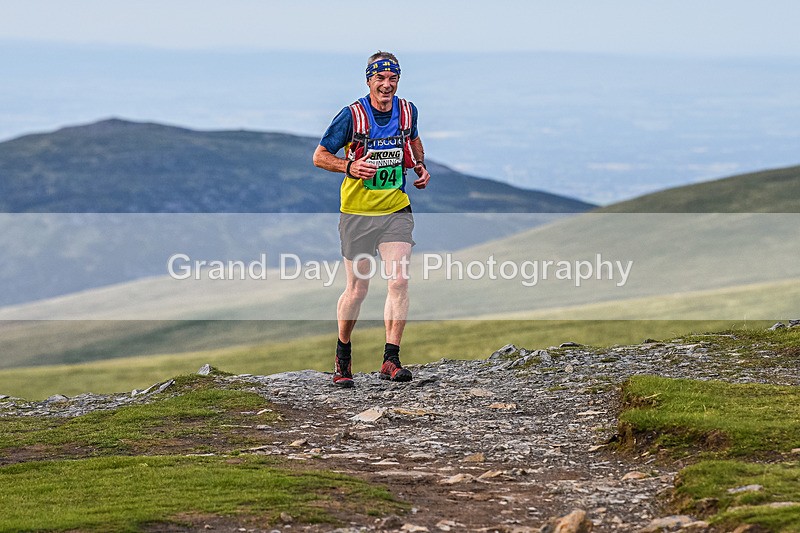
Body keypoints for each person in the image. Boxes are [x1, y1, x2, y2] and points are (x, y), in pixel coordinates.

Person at [312, 51, 431, 388]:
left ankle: (391, 359)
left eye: (393, 78)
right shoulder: (351, 116)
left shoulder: (407, 110)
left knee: (399, 281)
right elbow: (320, 156)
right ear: (369, 81)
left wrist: (419, 165)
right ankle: (343, 354)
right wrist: (349, 166)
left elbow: (413, 139)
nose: (387, 85)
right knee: (358, 289)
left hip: (395, 209)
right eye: (380, 78)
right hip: (357, 214)